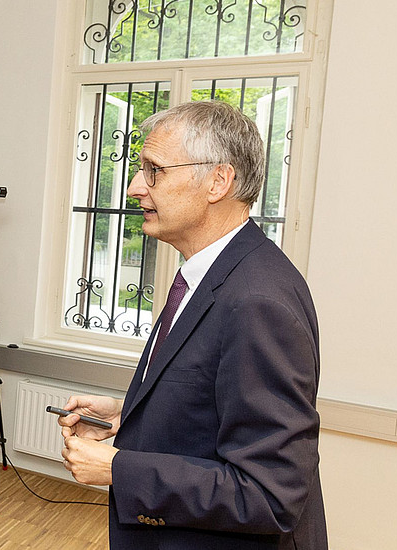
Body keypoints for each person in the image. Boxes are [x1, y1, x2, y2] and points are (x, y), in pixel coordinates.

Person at [58, 101, 327, 550]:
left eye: (154, 170)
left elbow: (269, 494)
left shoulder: (257, 300)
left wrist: (119, 469)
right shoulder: (209, 274)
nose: (134, 187)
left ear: (218, 181)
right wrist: (128, 421)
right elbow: (219, 410)